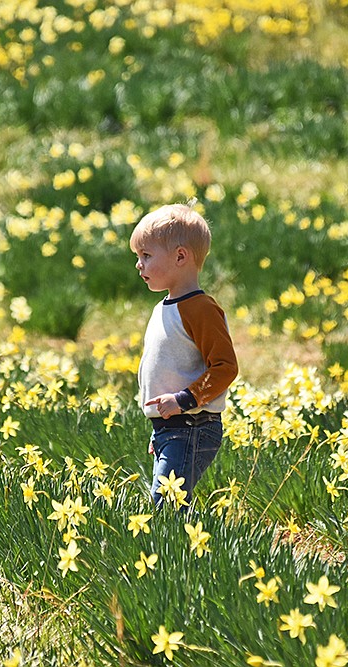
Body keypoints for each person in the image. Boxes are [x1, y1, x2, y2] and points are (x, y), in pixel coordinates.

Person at [130, 202, 238, 509]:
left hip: (193, 425)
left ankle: (178, 557)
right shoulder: (165, 307)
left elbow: (226, 367)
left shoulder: (201, 309)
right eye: (138, 257)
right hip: (172, 428)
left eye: (146, 256)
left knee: (166, 507)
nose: (139, 265)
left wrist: (183, 401)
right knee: (169, 505)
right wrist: (160, 428)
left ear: (180, 256)